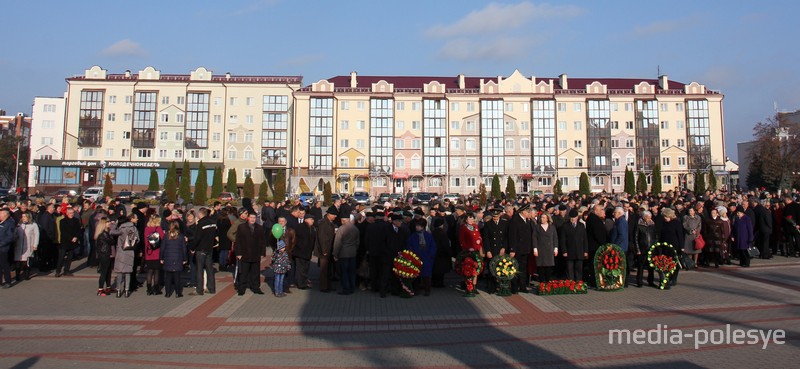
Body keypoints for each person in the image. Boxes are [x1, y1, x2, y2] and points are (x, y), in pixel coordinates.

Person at [234, 212, 267, 296]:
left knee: (255, 272)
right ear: (248, 218)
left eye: (254, 218)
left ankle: (256, 288)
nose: (252, 219)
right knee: (244, 273)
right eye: (251, 217)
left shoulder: (259, 228)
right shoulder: (241, 227)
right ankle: (241, 289)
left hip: (255, 254)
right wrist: (238, 253)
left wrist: (262, 252)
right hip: (244, 254)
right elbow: (238, 241)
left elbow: (262, 241)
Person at [189, 208, 217, 295]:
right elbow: (215, 234)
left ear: (200, 214)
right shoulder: (213, 222)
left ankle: (199, 289)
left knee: (199, 269)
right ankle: (211, 288)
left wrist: (192, 247)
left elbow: (197, 238)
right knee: (209, 269)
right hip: (209, 248)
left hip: (201, 249)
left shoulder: (200, 224)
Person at [110, 214, 139, 297]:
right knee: (128, 272)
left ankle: (118, 290)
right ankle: (126, 290)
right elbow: (138, 239)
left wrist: (114, 224)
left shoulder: (122, 228)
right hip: (130, 251)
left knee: (120, 272)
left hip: (121, 251)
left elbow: (112, 232)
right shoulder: (134, 228)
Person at [407, 218, 437, 296]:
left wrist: (430, 255)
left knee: (426, 275)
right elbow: (409, 246)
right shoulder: (413, 236)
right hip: (416, 258)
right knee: (416, 275)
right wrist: (412, 255)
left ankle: (427, 290)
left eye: (419, 226)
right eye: (416, 225)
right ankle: (416, 290)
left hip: (427, 258)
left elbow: (433, 246)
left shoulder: (428, 235)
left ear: (423, 226)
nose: (417, 227)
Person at [481, 207, 508, 294]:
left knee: (501, 269)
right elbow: (486, 239)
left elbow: (506, 237)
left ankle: (501, 287)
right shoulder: (488, 224)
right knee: (491, 269)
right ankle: (491, 288)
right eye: (493, 216)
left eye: (496, 216)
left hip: (501, 250)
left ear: (500, 215)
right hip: (492, 249)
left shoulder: (504, 223)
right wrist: (488, 251)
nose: (495, 218)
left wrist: (504, 248)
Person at [656, 208, 684, 289]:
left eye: (666, 216)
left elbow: (680, 235)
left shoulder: (676, 223)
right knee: (666, 263)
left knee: (675, 263)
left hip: (675, 246)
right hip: (665, 246)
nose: (664, 218)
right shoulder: (664, 223)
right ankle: (667, 277)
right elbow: (661, 234)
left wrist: (682, 247)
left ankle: (674, 278)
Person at [507, 204, 533, 293]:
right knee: (515, 268)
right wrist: (512, 249)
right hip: (517, 249)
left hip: (525, 249)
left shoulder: (527, 220)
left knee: (523, 268)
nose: (528, 213)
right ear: (523, 212)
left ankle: (522, 286)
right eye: (527, 211)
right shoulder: (515, 220)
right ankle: (514, 287)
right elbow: (512, 236)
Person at [382, 214, 409, 297]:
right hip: (388, 256)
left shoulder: (401, 230)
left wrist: (402, 252)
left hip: (398, 256)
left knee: (396, 275)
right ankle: (383, 291)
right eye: (399, 221)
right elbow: (383, 243)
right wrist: (387, 252)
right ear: (394, 221)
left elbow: (404, 242)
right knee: (385, 275)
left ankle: (395, 290)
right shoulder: (386, 229)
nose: (401, 222)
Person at [332, 216, 359, 295]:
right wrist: (355, 249)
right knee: (352, 271)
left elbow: (337, 242)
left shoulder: (341, 229)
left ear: (343, 220)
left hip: (343, 253)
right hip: (353, 252)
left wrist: (335, 253)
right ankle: (352, 287)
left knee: (344, 272)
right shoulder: (355, 228)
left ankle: (346, 288)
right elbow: (358, 241)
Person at [161, 220, 188, 298]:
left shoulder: (166, 235)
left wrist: (161, 257)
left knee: (168, 277)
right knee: (177, 277)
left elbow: (162, 248)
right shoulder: (181, 236)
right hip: (178, 258)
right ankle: (178, 292)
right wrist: (185, 258)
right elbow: (183, 248)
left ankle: (167, 293)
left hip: (168, 258)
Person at [314, 207, 338, 293]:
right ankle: (323, 287)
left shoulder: (329, 223)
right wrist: (324, 250)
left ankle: (328, 285)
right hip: (324, 251)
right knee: (324, 270)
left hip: (329, 250)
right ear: (329, 214)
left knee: (328, 270)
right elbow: (322, 238)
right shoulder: (323, 224)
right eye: (334, 215)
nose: (335, 216)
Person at [561, 209, 588, 283]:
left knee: (579, 268)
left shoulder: (581, 225)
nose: (572, 219)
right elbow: (562, 240)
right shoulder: (565, 226)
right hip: (569, 250)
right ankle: (571, 283)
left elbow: (585, 239)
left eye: (574, 217)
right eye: (571, 217)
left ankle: (578, 282)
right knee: (569, 268)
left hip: (579, 250)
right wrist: (564, 251)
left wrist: (586, 251)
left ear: (577, 217)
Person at [459, 212, 483, 291]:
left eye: (472, 219)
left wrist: (479, 240)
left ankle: (474, 286)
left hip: (476, 250)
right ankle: (468, 286)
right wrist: (467, 248)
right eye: (469, 219)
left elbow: (478, 235)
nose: (471, 220)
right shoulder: (463, 227)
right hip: (468, 251)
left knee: (476, 268)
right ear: (466, 220)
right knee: (468, 269)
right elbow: (462, 240)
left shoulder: (475, 226)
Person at [633, 210, 656, 288]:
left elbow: (655, 236)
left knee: (651, 266)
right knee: (641, 266)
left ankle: (650, 281)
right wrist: (638, 249)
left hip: (651, 248)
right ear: (644, 217)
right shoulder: (639, 225)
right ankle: (639, 282)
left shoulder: (652, 224)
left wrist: (655, 245)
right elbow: (635, 238)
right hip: (642, 248)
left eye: (650, 217)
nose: (649, 219)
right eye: (648, 217)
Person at [56, 207, 82, 277]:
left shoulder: (76, 220)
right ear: (67, 213)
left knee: (70, 257)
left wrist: (76, 237)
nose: (71, 214)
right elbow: (63, 232)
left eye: (72, 213)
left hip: (73, 241)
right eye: (70, 213)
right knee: (61, 257)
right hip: (65, 241)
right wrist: (71, 238)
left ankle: (66, 271)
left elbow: (78, 230)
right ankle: (58, 271)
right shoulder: (62, 221)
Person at [143, 215, 165, 295]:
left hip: (148, 252)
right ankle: (156, 289)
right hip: (157, 252)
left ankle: (148, 289)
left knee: (149, 270)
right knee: (157, 271)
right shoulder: (158, 228)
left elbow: (146, 241)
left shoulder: (146, 229)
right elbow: (163, 238)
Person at [534, 212, 558, 284]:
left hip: (549, 249)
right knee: (541, 267)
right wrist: (535, 248)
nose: (542, 219)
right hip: (540, 249)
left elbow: (555, 238)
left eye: (543, 217)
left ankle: (548, 283)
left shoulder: (552, 227)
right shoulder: (537, 227)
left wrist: (555, 248)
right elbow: (534, 238)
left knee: (548, 267)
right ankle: (542, 283)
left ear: (547, 218)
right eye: (541, 217)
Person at [14, 212, 39, 282]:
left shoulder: (33, 225)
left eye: (25, 216)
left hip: (28, 246)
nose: (23, 218)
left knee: (27, 262)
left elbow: (37, 235)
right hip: (19, 246)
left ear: (28, 217)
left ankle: (26, 275)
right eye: (22, 216)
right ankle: (17, 276)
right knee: (18, 261)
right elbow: (15, 233)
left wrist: (35, 245)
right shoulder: (19, 225)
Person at [293, 214, 316, 290]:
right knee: (301, 269)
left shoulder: (312, 228)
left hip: (308, 252)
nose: (312, 221)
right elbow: (296, 239)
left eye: (313, 219)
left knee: (306, 268)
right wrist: (300, 247)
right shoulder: (300, 227)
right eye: (311, 219)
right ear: (306, 219)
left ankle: (304, 282)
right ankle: (301, 284)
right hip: (300, 252)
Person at [94, 218, 114, 296]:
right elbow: (111, 242)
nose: (109, 223)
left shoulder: (106, 232)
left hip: (106, 253)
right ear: (104, 224)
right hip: (104, 254)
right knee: (104, 272)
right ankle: (100, 290)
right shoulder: (104, 234)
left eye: (109, 221)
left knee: (109, 271)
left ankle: (108, 287)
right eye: (107, 222)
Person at [431, 217, 451, 289]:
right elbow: (445, 245)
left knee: (435, 269)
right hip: (442, 254)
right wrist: (448, 252)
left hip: (435, 254)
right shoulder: (442, 233)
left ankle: (434, 282)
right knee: (441, 271)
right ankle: (439, 283)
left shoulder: (433, 232)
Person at [36, 203, 57, 272]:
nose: (54, 208)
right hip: (46, 238)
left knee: (49, 253)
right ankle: (43, 267)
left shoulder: (51, 215)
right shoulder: (46, 216)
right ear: (49, 208)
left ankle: (47, 265)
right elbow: (44, 227)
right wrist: (49, 236)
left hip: (50, 238)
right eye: (53, 207)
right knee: (45, 253)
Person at [0, 209, 16, 288]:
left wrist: (1, 244)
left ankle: (8, 282)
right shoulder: (1, 222)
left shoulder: (9, 223)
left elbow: (10, 237)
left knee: (4, 265)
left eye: (0, 214)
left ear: (5, 215)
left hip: (3, 248)